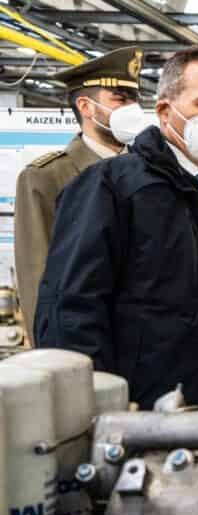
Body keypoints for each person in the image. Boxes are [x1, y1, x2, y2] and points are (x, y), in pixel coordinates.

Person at [34, 45, 198, 409]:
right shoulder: (111, 188)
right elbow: (70, 312)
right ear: (164, 111)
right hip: (141, 416)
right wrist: (96, 410)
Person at [14, 47, 146, 345]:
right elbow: (37, 276)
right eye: (121, 100)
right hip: (86, 344)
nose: (133, 109)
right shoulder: (46, 178)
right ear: (86, 107)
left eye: (136, 100)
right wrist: (51, 360)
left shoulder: (148, 174)